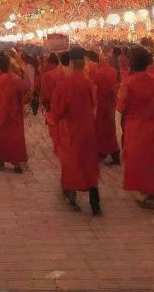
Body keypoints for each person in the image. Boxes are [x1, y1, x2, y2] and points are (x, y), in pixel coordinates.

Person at [118, 45, 154, 208]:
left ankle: (143, 193)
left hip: (136, 126)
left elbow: (121, 108)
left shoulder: (128, 83)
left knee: (138, 160)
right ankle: (152, 192)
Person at [49, 46, 100, 215]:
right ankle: (95, 201)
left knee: (72, 164)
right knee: (89, 164)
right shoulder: (89, 83)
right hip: (88, 129)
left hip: (70, 130)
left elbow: (57, 111)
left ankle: (71, 194)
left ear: (70, 63)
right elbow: (93, 105)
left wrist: (50, 119)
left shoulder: (64, 85)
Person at [0, 53, 27, 173]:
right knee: (15, 140)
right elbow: (23, 92)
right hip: (15, 114)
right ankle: (16, 164)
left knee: (2, 138)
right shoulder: (17, 79)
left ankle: (1, 160)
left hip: (3, 114)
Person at [89, 49, 120, 165]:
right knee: (108, 131)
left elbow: (100, 91)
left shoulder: (99, 73)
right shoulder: (111, 70)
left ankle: (110, 153)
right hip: (109, 104)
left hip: (103, 106)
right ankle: (107, 152)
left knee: (105, 131)